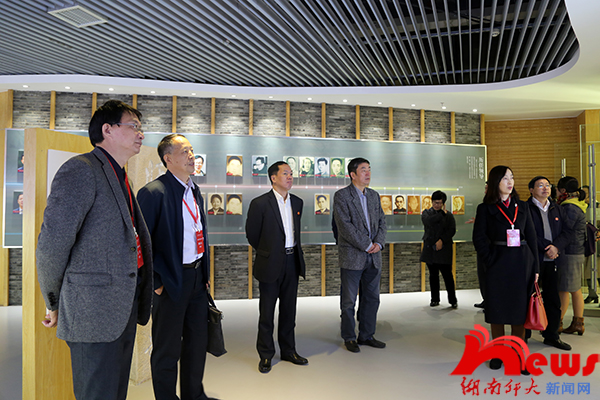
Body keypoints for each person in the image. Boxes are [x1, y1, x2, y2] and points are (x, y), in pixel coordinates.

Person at [36, 100, 153, 400]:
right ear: (107, 130)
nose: (141, 134)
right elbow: (52, 244)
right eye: (133, 126)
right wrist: (53, 301)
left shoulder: (121, 176)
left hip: (122, 307)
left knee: (115, 392)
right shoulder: (81, 170)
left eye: (140, 128)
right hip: (92, 313)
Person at [137, 133, 213, 400]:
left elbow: (198, 234)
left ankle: (194, 394)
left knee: (197, 344)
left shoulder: (194, 189)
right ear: (168, 159)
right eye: (184, 152)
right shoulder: (153, 192)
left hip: (197, 279)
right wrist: (156, 282)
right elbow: (141, 243)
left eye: (192, 150)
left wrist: (204, 274)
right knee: (167, 350)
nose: (191, 156)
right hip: (170, 281)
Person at [472, 165, 538, 372]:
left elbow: (532, 237)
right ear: (495, 182)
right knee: (497, 310)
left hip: (522, 264)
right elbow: (479, 238)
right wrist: (490, 260)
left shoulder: (523, 206)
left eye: (512, 177)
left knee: (519, 311)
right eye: (505, 178)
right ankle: (498, 352)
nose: (510, 182)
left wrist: (536, 266)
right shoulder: (485, 208)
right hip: (497, 264)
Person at [245, 161, 307, 373]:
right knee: (267, 313)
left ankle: (289, 350)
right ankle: (265, 354)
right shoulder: (260, 203)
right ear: (273, 178)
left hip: (292, 261)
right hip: (270, 263)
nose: (290, 177)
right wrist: (268, 252)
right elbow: (252, 234)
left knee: (289, 311)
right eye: (285, 173)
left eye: (291, 173)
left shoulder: (297, 202)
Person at [333, 157, 387, 353]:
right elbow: (344, 227)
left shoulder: (374, 195)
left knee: (372, 298)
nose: (368, 173)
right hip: (352, 256)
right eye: (363, 169)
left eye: (369, 169)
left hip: (374, 257)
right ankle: (349, 337)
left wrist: (378, 243)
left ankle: (367, 335)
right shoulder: (342, 196)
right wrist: (367, 244)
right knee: (349, 301)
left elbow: (382, 222)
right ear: (353, 174)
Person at [526, 176, 571, 350]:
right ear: (531, 190)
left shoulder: (557, 208)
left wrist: (556, 247)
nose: (545, 188)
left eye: (548, 185)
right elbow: (526, 233)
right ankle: (524, 335)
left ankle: (552, 335)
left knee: (553, 299)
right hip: (533, 261)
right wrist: (547, 247)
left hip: (553, 260)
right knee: (528, 298)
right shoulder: (525, 208)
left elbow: (568, 232)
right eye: (540, 185)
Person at [556, 176, 587, 335]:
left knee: (564, 289)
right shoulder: (577, 204)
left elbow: (565, 229)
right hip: (576, 251)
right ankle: (578, 322)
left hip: (570, 251)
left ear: (563, 190)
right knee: (575, 289)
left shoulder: (570, 207)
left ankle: (558, 323)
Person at [421, 190, 457, 308]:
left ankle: (453, 300)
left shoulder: (449, 215)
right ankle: (434, 299)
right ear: (432, 202)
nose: (437, 205)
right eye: (435, 203)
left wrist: (442, 240)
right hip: (430, 249)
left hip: (444, 249)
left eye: (440, 203)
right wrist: (441, 214)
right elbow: (428, 222)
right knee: (433, 275)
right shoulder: (426, 213)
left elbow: (452, 230)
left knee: (447, 275)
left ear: (443, 203)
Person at [581, 185, 599, 303]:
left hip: (597, 242)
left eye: (586, 193)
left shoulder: (597, 206)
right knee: (588, 270)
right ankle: (592, 293)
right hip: (587, 242)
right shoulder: (581, 206)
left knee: (598, 270)